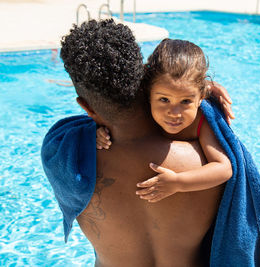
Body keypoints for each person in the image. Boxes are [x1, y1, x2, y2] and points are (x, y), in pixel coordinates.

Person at [44, 19, 234, 266]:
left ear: (86, 107)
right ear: (147, 84)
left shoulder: (67, 152)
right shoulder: (203, 159)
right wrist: (204, 89)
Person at [96, 38, 232, 203]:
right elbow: (109, 118)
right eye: (164, 100)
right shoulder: (143, 111)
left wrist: (178, 183)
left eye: (186, 101)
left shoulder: (200, 122)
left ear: (200, 98)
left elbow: (224, 168)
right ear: (148, 94)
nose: (174, 113)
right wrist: (100, 132)